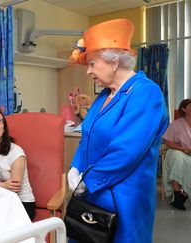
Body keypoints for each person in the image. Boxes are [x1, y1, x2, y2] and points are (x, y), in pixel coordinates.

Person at [67, 19, 169, 242]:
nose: (88, 72)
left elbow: (126, 151)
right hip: (91, 195)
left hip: (123, 199)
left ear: (114, 61)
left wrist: (88, 179)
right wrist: (75, 167)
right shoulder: (103, 96)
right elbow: (87, 137)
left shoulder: (146, 93)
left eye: (92, 64)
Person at [162, 98, 191, 210]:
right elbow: (167, 141)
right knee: (178, 159)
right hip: (178, 151)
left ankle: (184, 196)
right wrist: (183, 149)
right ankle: (178, 196)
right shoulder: (176, 124)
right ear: (183, 109)